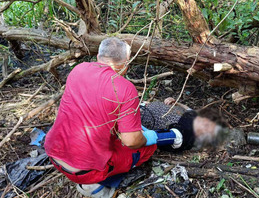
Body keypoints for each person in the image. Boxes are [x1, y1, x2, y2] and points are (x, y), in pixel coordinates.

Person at [44, 37, 220, 198]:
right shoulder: (124, 88)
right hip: (84, 170)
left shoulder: (78, 70)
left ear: (98, 56)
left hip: (54, 153)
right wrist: (154, 137)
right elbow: (132, 141)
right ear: (126, 64)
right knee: (146, 149)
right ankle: (96, 187)